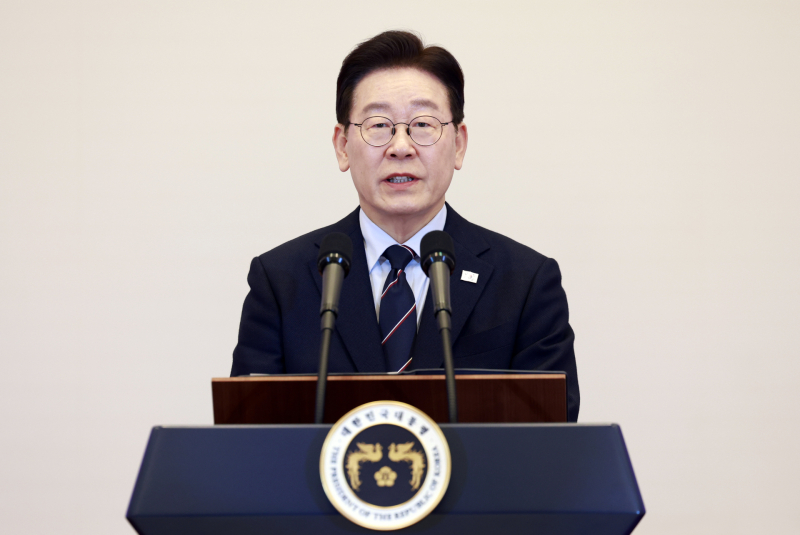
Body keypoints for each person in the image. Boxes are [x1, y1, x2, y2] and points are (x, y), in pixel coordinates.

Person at [231, 31, 580, 421]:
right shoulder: (281, 281)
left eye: (423, 124)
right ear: (343, 146)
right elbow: (250, 436)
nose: (400, 147)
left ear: (458, 144)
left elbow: (550, 440)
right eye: (379, 125)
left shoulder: (525, 283)